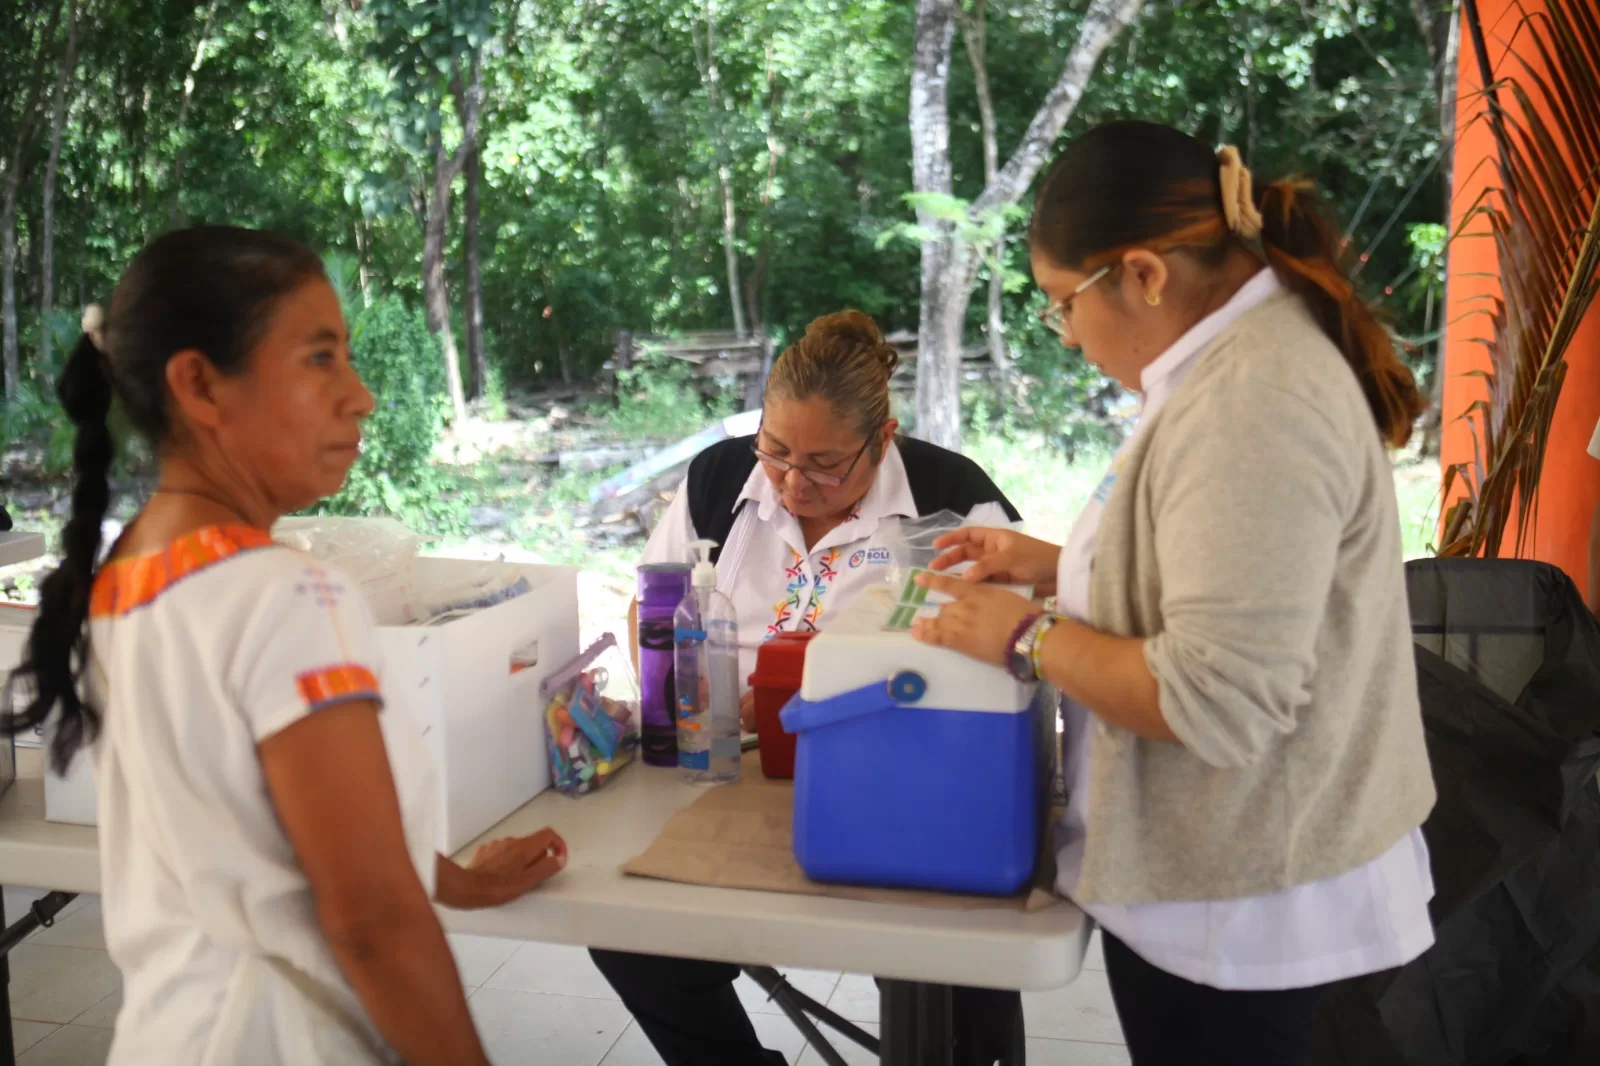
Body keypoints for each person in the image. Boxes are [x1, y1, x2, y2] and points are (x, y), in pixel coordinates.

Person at [911, 121, 1438, 1065]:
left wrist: (1024, 635)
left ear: (1145, 275)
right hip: (1226, 873)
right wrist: (1054, 563)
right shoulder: (1230, 364)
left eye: (1064, 304)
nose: (1067, 334)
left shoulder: (1254, 401)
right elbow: (1218, 568)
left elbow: (1213, 696)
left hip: (1241, 898)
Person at [0, 226, 568, 1066]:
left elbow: (259, 827)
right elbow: (370, 920)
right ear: (200, 385)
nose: (361, 395)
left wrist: (455, 880)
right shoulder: (287, 597)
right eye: (320, 358)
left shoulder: (133, 571)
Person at [594, 309, 1025, 1065]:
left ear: (882, 439)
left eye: (825, 463)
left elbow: (1007, 661)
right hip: (731, 772)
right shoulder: (721, 479)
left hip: (899, 791)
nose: (794, 482)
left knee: (953, 971)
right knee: (627, 932)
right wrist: (690, 708)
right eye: (776, 450)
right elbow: (654, 608)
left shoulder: (952, 499)